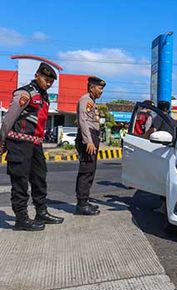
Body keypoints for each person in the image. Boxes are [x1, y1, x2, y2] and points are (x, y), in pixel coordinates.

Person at [0, 62, 64, 230]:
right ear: (37, 76)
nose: (48, 83)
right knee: (20, 181)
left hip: (35, 144)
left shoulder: (43, 96)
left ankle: (41, 212)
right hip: (19, 143)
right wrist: (1, 141)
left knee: (39, 179)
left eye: (51, 82)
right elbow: (8, 119)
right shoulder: (25, 93)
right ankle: (21, 219)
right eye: (45, 79)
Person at [74, 76, 106, 216]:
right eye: (99, 88)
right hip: (88, 138)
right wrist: (89, 141)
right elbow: (83, 121)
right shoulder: (85, 100)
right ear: (92, 87)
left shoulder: (92, 102)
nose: (101, 91)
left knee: (90, 170)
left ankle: (84, 201)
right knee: (86, 170)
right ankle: (81, 204)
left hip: (93, 136)